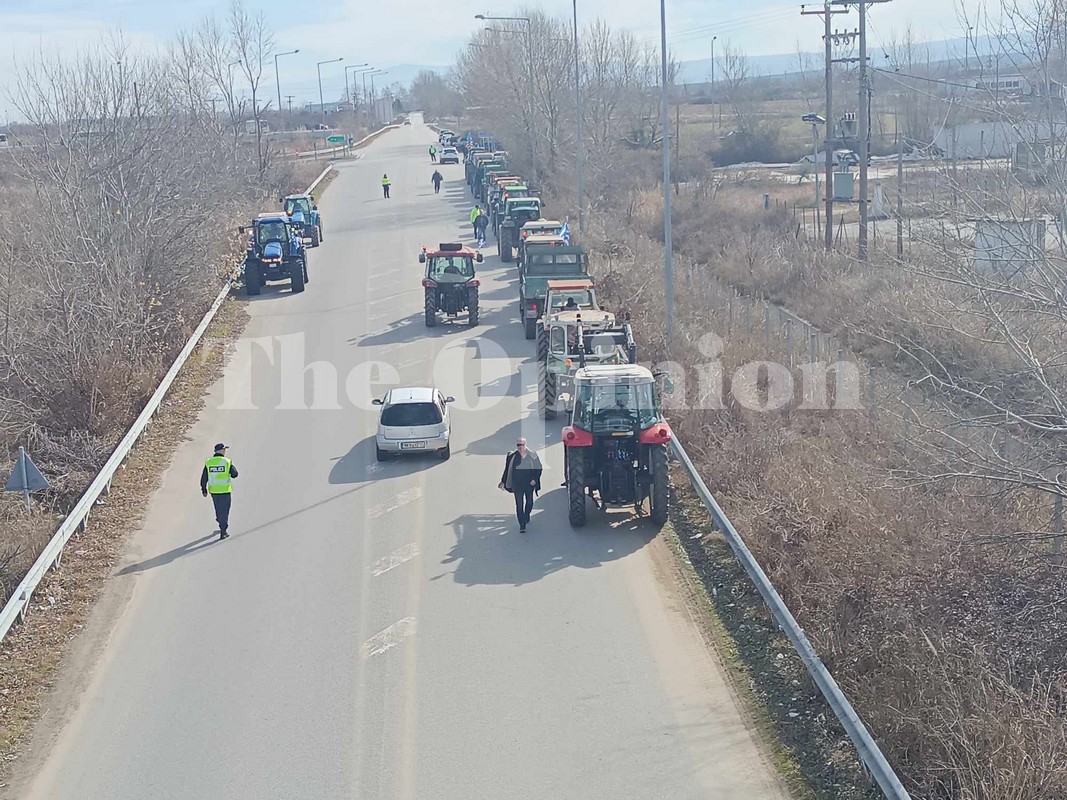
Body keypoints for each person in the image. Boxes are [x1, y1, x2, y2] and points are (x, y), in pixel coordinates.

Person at [499, 438, 542, 533]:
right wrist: (503, 481)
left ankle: (527, 515)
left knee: (529, 502)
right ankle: (522, 525)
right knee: (519, 505)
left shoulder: (532, 455)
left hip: (529, 484)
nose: (520, 447)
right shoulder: (512, 456)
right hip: (517, 485)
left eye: (521, 445)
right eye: (518, 445)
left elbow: (539, 468)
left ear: (525, 444)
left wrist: (535, 479)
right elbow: (507, 470)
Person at [201, 443, 238, 539]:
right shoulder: (226, 462)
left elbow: (204, 477)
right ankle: (223, 530)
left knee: (218, 508)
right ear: (221, 451)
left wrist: (204, 489)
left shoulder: (209, 462)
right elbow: (235, 474)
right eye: (224, 450)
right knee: (225, 510)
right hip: (225, 491)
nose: (225, 451)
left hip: (214, 491)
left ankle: (219, 520)